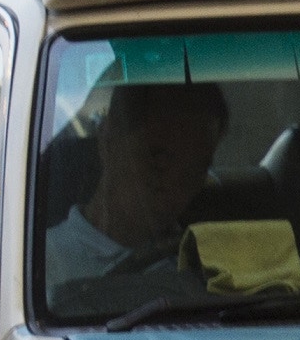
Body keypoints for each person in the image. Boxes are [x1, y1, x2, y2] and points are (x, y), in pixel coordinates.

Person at [42, 81, 229, 285]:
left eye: (192, 170)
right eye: (158, 159)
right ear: (108, 141)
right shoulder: (43, 265)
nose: (174, 184)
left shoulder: (216, 267)